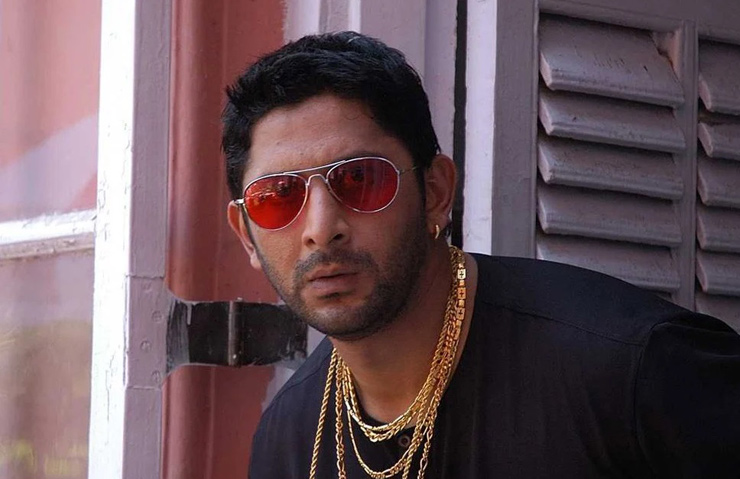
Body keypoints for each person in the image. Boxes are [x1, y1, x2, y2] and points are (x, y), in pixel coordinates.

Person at [222, 31, 740, 479]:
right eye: (278, 197)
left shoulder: (634, 368)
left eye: (360, 179)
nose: (321, 229)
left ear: (436, 192)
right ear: (247, 235)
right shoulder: (287, 441)